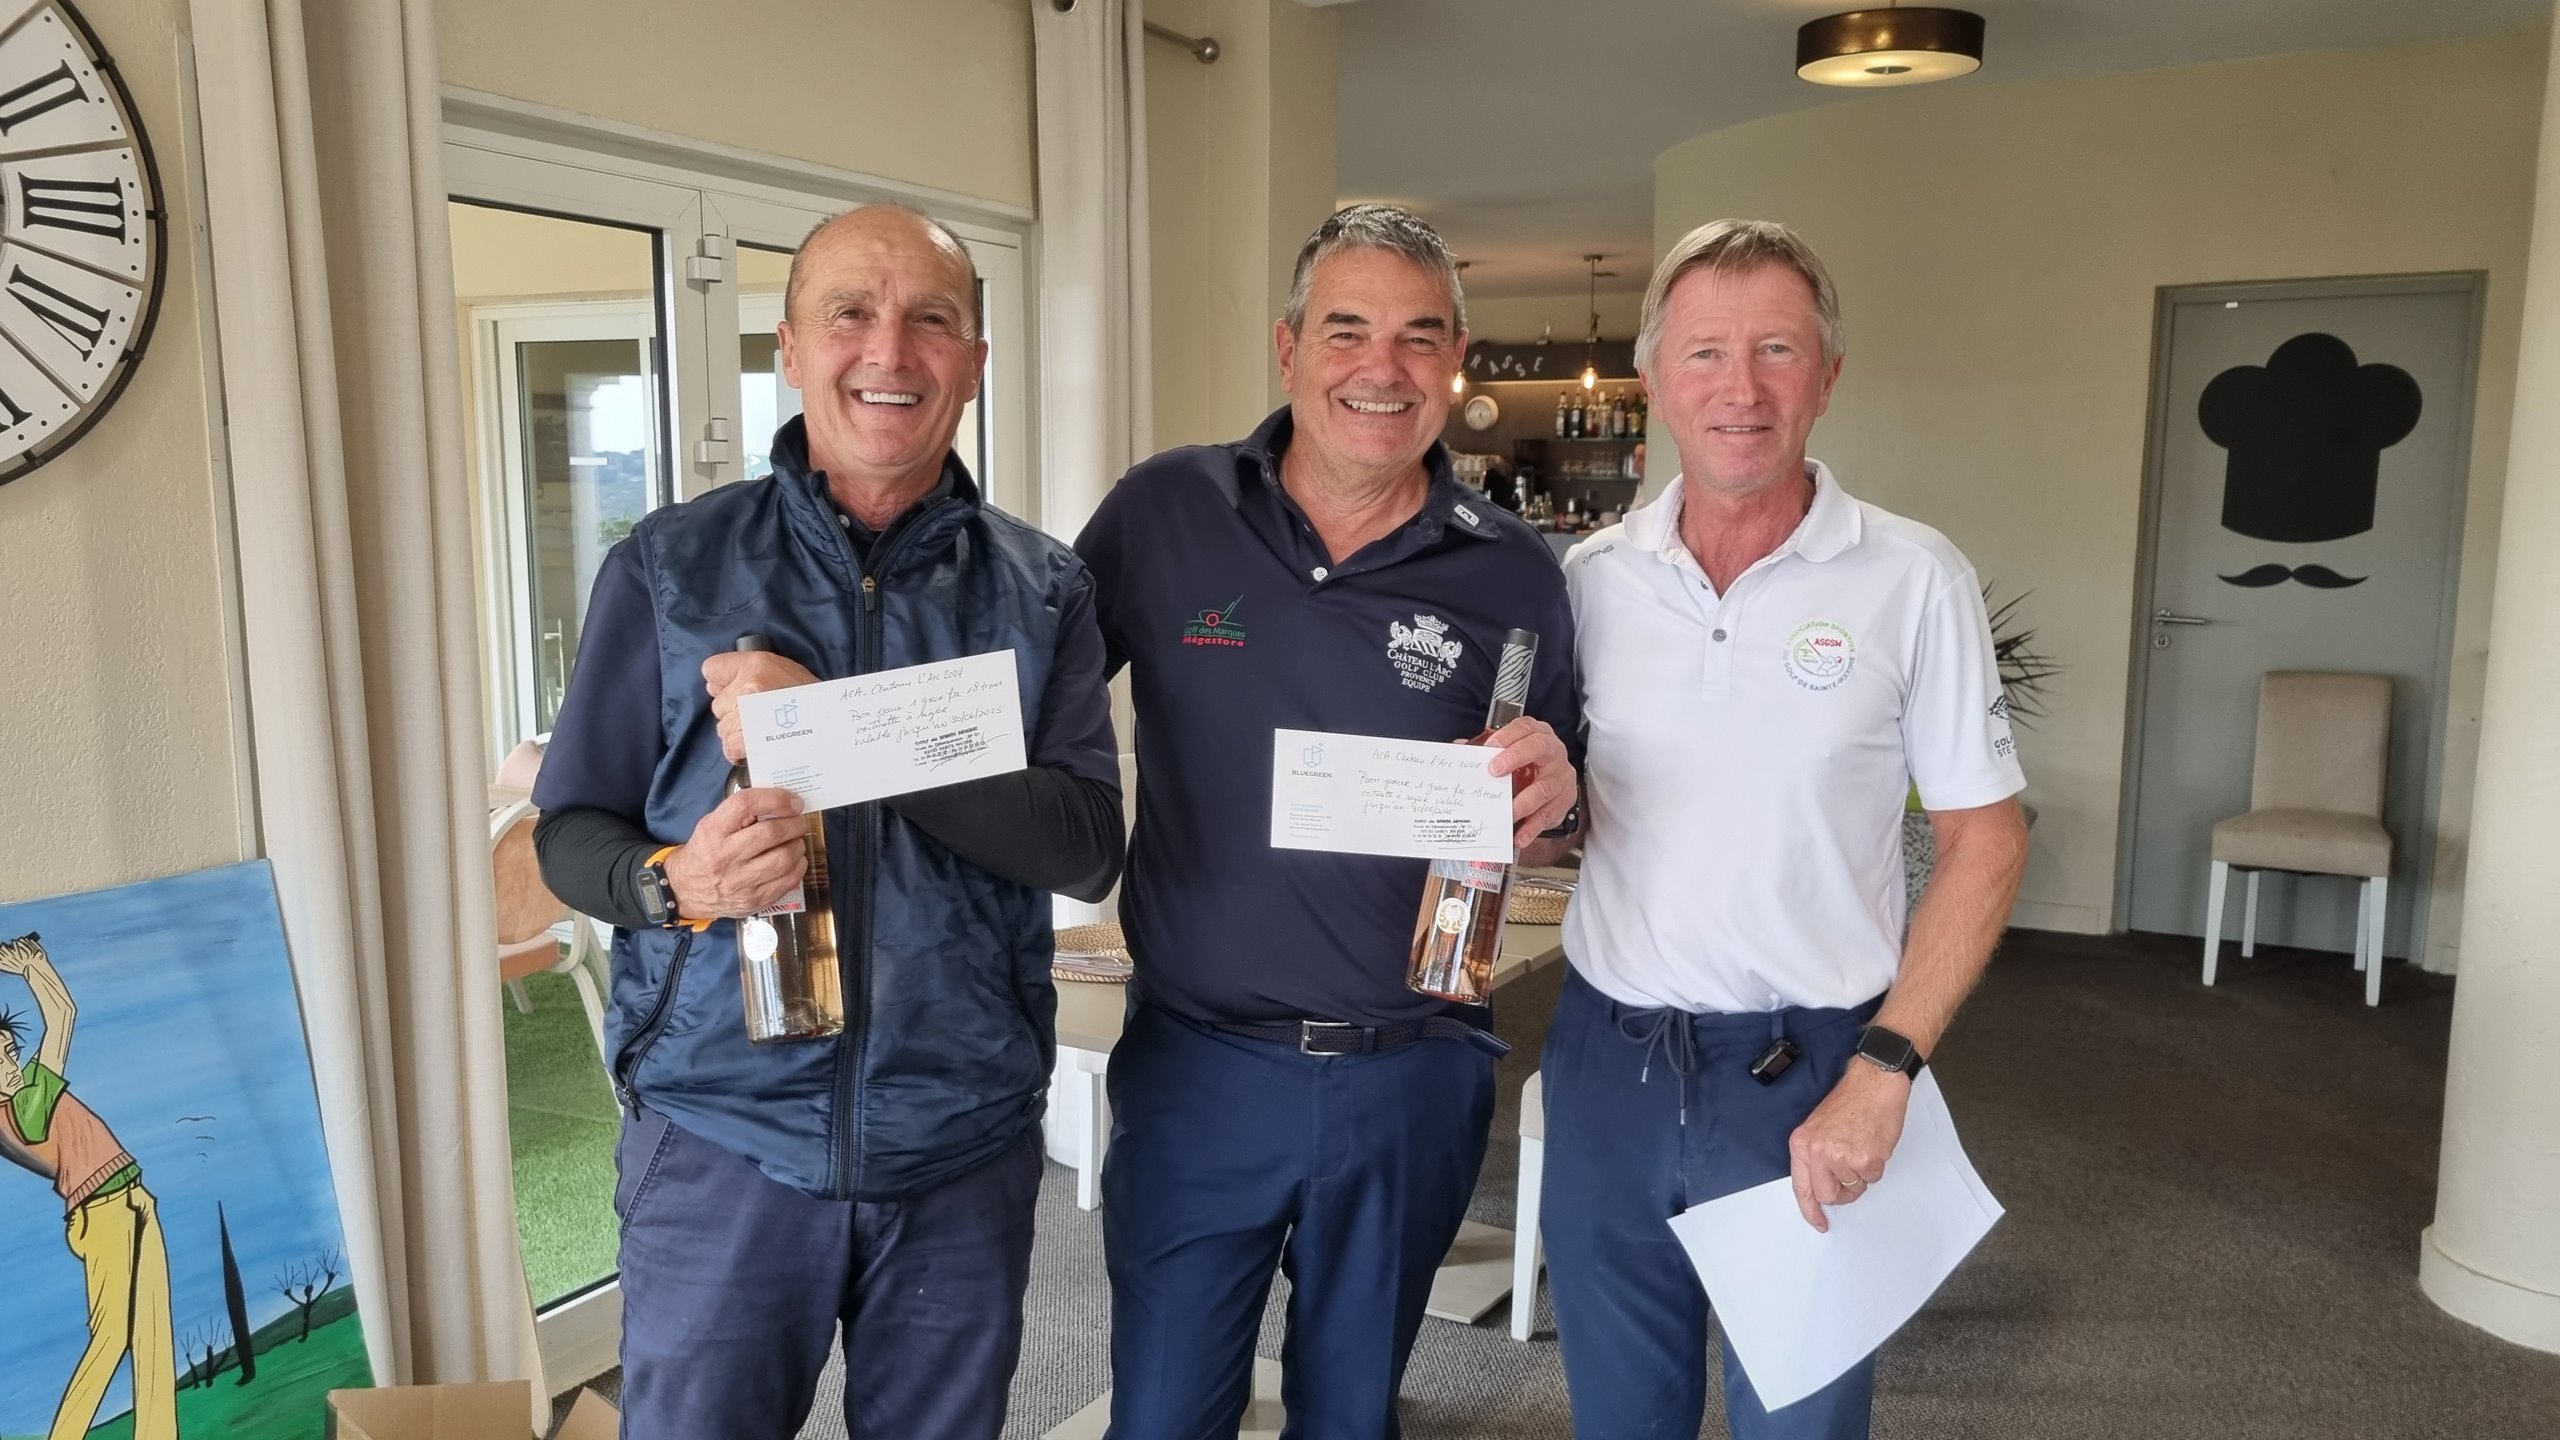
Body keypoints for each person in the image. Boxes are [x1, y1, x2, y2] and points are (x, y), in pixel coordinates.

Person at [531, 204, 1123, 1440]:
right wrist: (678, 880)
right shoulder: (669, 567)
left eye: (930, 321)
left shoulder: (1042, 587)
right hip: (721, 1139)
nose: (888, 351)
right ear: (792, 350)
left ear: (973, 362)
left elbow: (1081, 844)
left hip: (959, 1139)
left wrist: (836, 722)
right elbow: (569, 833)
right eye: (850, 313)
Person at [1075, 204, 1582, 1437]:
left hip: (1411, 1070)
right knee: (1160, 1416)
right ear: (1288, 346)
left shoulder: (1515, 570)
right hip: (1198, 1065)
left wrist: (1556, 797)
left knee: (1351, 1415)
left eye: (1419, 337)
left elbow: (1561, 818)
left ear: (1454, 359)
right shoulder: (1163, 511)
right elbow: (1027, 695)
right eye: (1347, 329)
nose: (1381, 368)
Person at [1543, 218, 2031, 1440]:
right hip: (1607, 1062)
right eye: (1705, 352)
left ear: (1827, 376)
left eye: (1776, 349)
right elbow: (1572, 813)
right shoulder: (1589, 579)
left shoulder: (1912, 578)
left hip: (1808, 1067)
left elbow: (1985, 838)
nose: (1741, 388)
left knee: (1800, 1424)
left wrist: (1885, 1069)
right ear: (1653, 380)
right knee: (1616, 1417)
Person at [0, 933, 177, 1440]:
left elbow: (62, 1018)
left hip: (131, 1196)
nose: (11, 1066)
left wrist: (34, 964)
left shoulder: (21, 1096)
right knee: (112, 1336)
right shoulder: (23, 1108)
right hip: (103, 1212)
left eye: (9, 1052)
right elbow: (62, 1017)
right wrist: (34, 966)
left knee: (152, 1330)